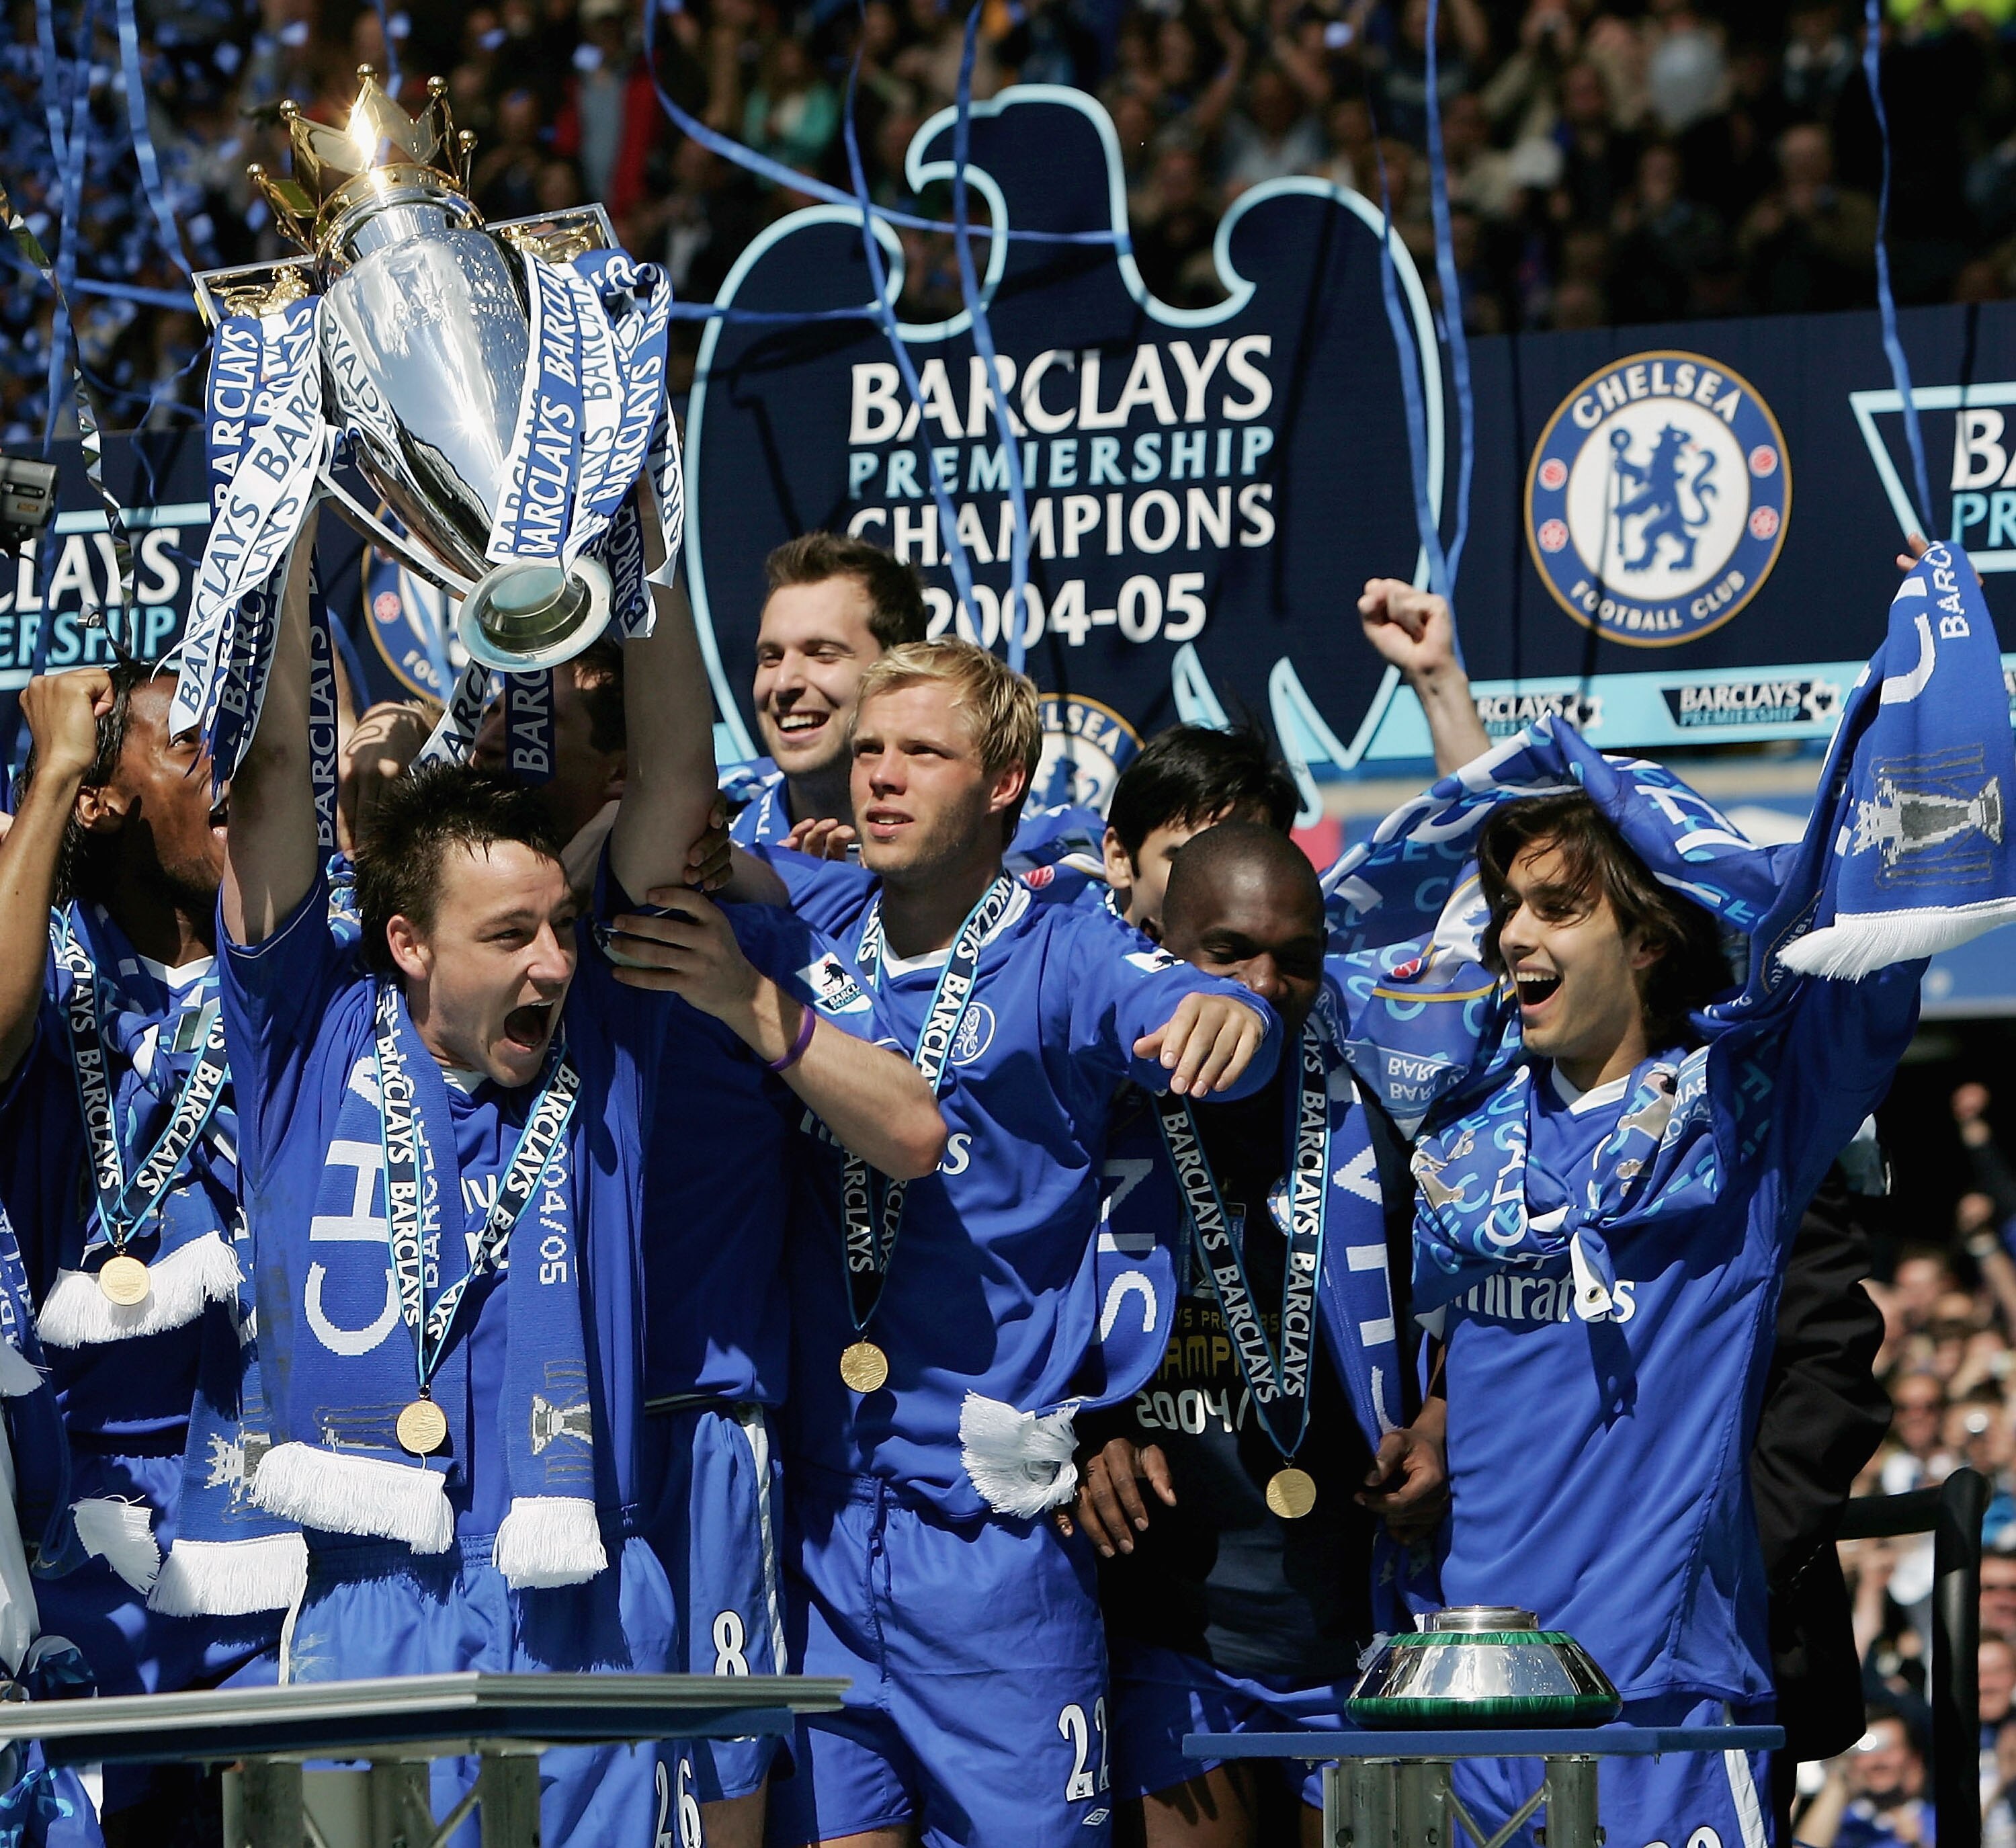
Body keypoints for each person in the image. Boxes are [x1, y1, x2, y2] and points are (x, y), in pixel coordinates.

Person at [216, 503, 946, 1848]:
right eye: (513, 934)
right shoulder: (303, 1037)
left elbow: (673, 776)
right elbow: (270, 778)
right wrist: (283, 500)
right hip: (370, 1598)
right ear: (408, 944)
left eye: (561, 926)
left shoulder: (603, 1041)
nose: (556, 960)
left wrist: (644, 511)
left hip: (588, 1597)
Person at [742, 638, 1283, 1848]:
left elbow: (1199, 1000)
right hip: (824, 1538)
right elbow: (691, 858)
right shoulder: (821, 910)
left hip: (991, 1550)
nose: (879, 777)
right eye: (870, 750)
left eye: (921, 754)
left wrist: (1223, 1011)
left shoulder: (1066, 942)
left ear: (1002, 782)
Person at [1064, 822, 1448, 1847]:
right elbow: (1022, 1321)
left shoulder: (1381, 1104)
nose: (1265, 987)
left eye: (1297, 961)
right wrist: (1086, 1434)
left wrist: (1443, 1421)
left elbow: (1471, 1305)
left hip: (1364, 1631)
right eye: (1227, 953)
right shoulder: (1096, 1110)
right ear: (1158, 946)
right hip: (1176, 1636)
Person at [0, 660, 283, 1839]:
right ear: (106, 803)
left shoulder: (285, 963)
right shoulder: (46, 959)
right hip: (78, 1533)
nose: (226, 774)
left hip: (262, 1517)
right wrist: (57, 768)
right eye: (190, 750)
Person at [726, 533, 932, 847]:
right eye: (771, 658)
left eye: (822, 654)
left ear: (900, 671)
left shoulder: (999, 854)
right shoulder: (704, 837)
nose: (783, 683)